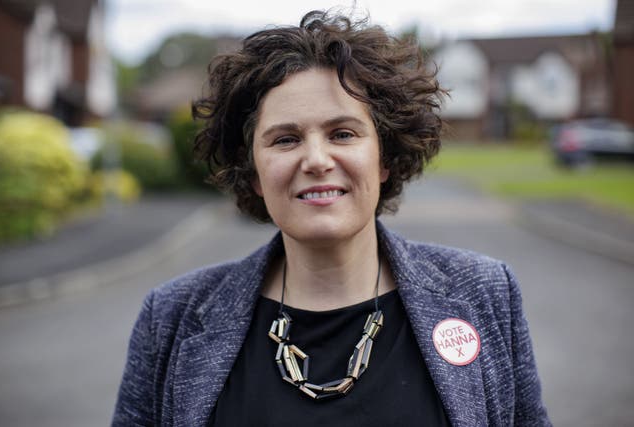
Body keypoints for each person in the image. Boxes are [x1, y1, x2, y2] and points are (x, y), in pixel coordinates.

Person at [112, 10, 551, 427]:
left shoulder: (485, 294)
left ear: (384, 158)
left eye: (342, 133)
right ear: (255, 175)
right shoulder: (171, 318)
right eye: (285, 139)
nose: (317, 160)